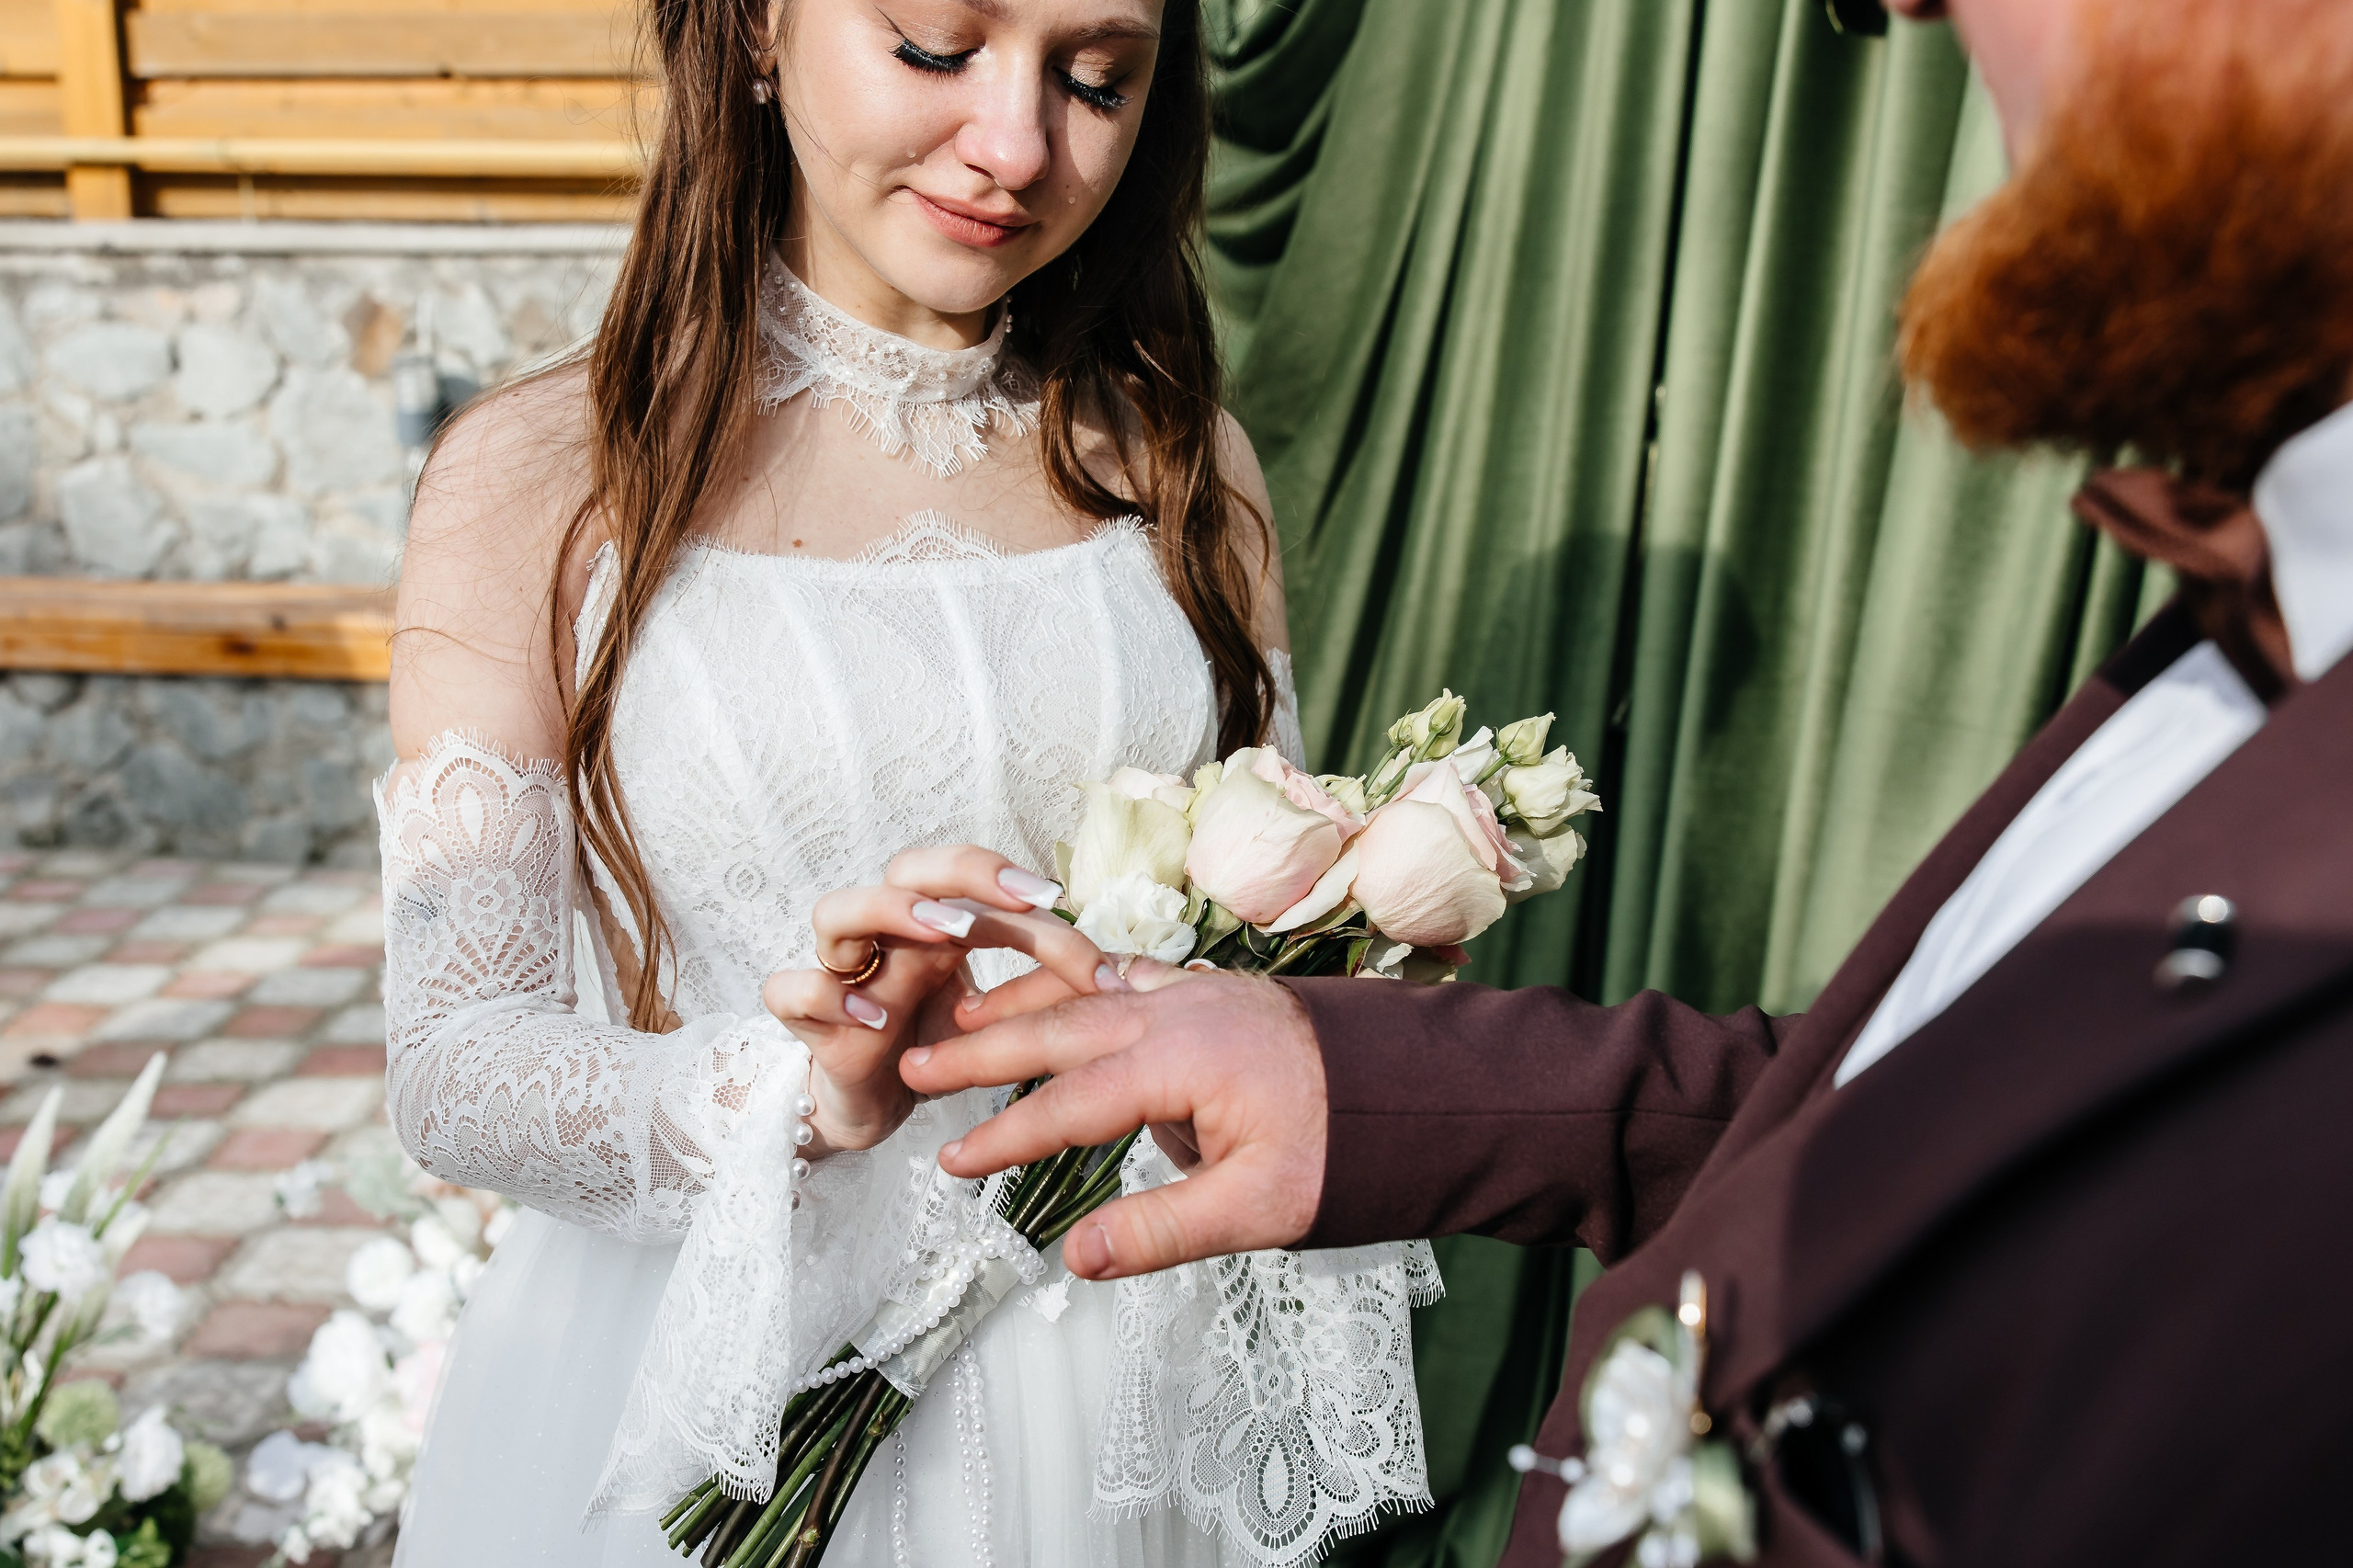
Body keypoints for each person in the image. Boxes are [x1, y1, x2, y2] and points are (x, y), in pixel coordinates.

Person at [888, 0, 2353, 1562]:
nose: (1908, 10)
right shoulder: (2243, 635)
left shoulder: (1191, 470)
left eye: (1100, 76)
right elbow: (1937, 1103)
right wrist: (1354, 1078)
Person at [375, 1, 1436, 1563]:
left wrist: (1336, 950)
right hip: (718, 1382)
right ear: (753, 24)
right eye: (937, 46)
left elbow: (1246, 907)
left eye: (1098, 79)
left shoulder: (1183, 462)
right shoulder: (542, 477)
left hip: (1120, 1375)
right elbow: (453, 1061)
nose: (1016, 147)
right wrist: (790, 1093)